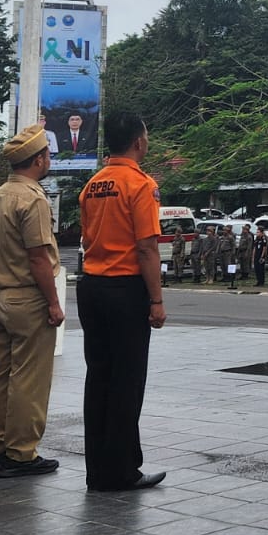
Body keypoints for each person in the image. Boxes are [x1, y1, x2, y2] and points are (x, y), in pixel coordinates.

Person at [77, 112, 166, 492]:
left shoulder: (92, 184)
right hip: (125, 289)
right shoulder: (140, 185)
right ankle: (122, 470)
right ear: (138, 143)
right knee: (127, 382)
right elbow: (146, 247)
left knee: (99, 379)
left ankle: (98, 469)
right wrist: (157, 300)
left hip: (92, 287)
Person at [0, 124, 64, 478]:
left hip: (1, 294)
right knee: (29, 378)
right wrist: (53, 303)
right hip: (29, 298)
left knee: (1, 375)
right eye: (47, 155)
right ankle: (21, 453)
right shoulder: (32, 198)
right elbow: (37, 257)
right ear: (39, 159)